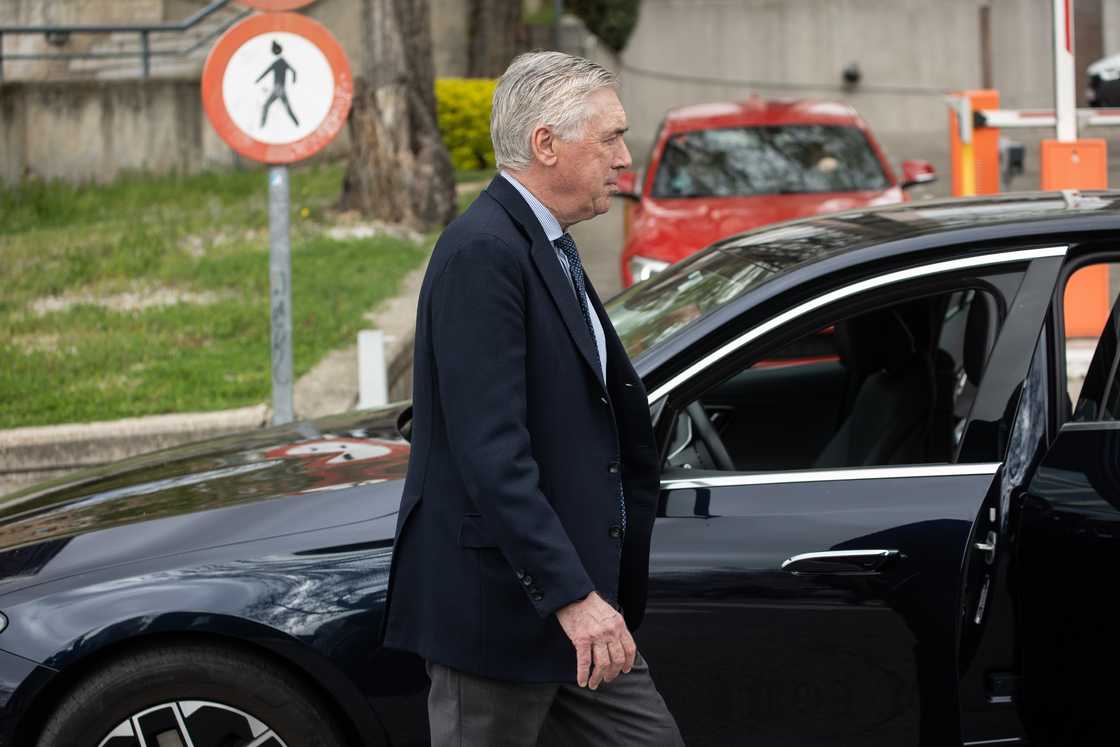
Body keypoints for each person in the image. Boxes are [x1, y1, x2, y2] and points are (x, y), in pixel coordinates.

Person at [381, 51, 684, 745]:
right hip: (501, 615)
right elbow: (491, 450)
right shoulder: (483, 252)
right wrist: (574, 597)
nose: (624, 158)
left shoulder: (548, 244)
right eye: (609, 137)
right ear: (546, 144)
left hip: (577, 611)